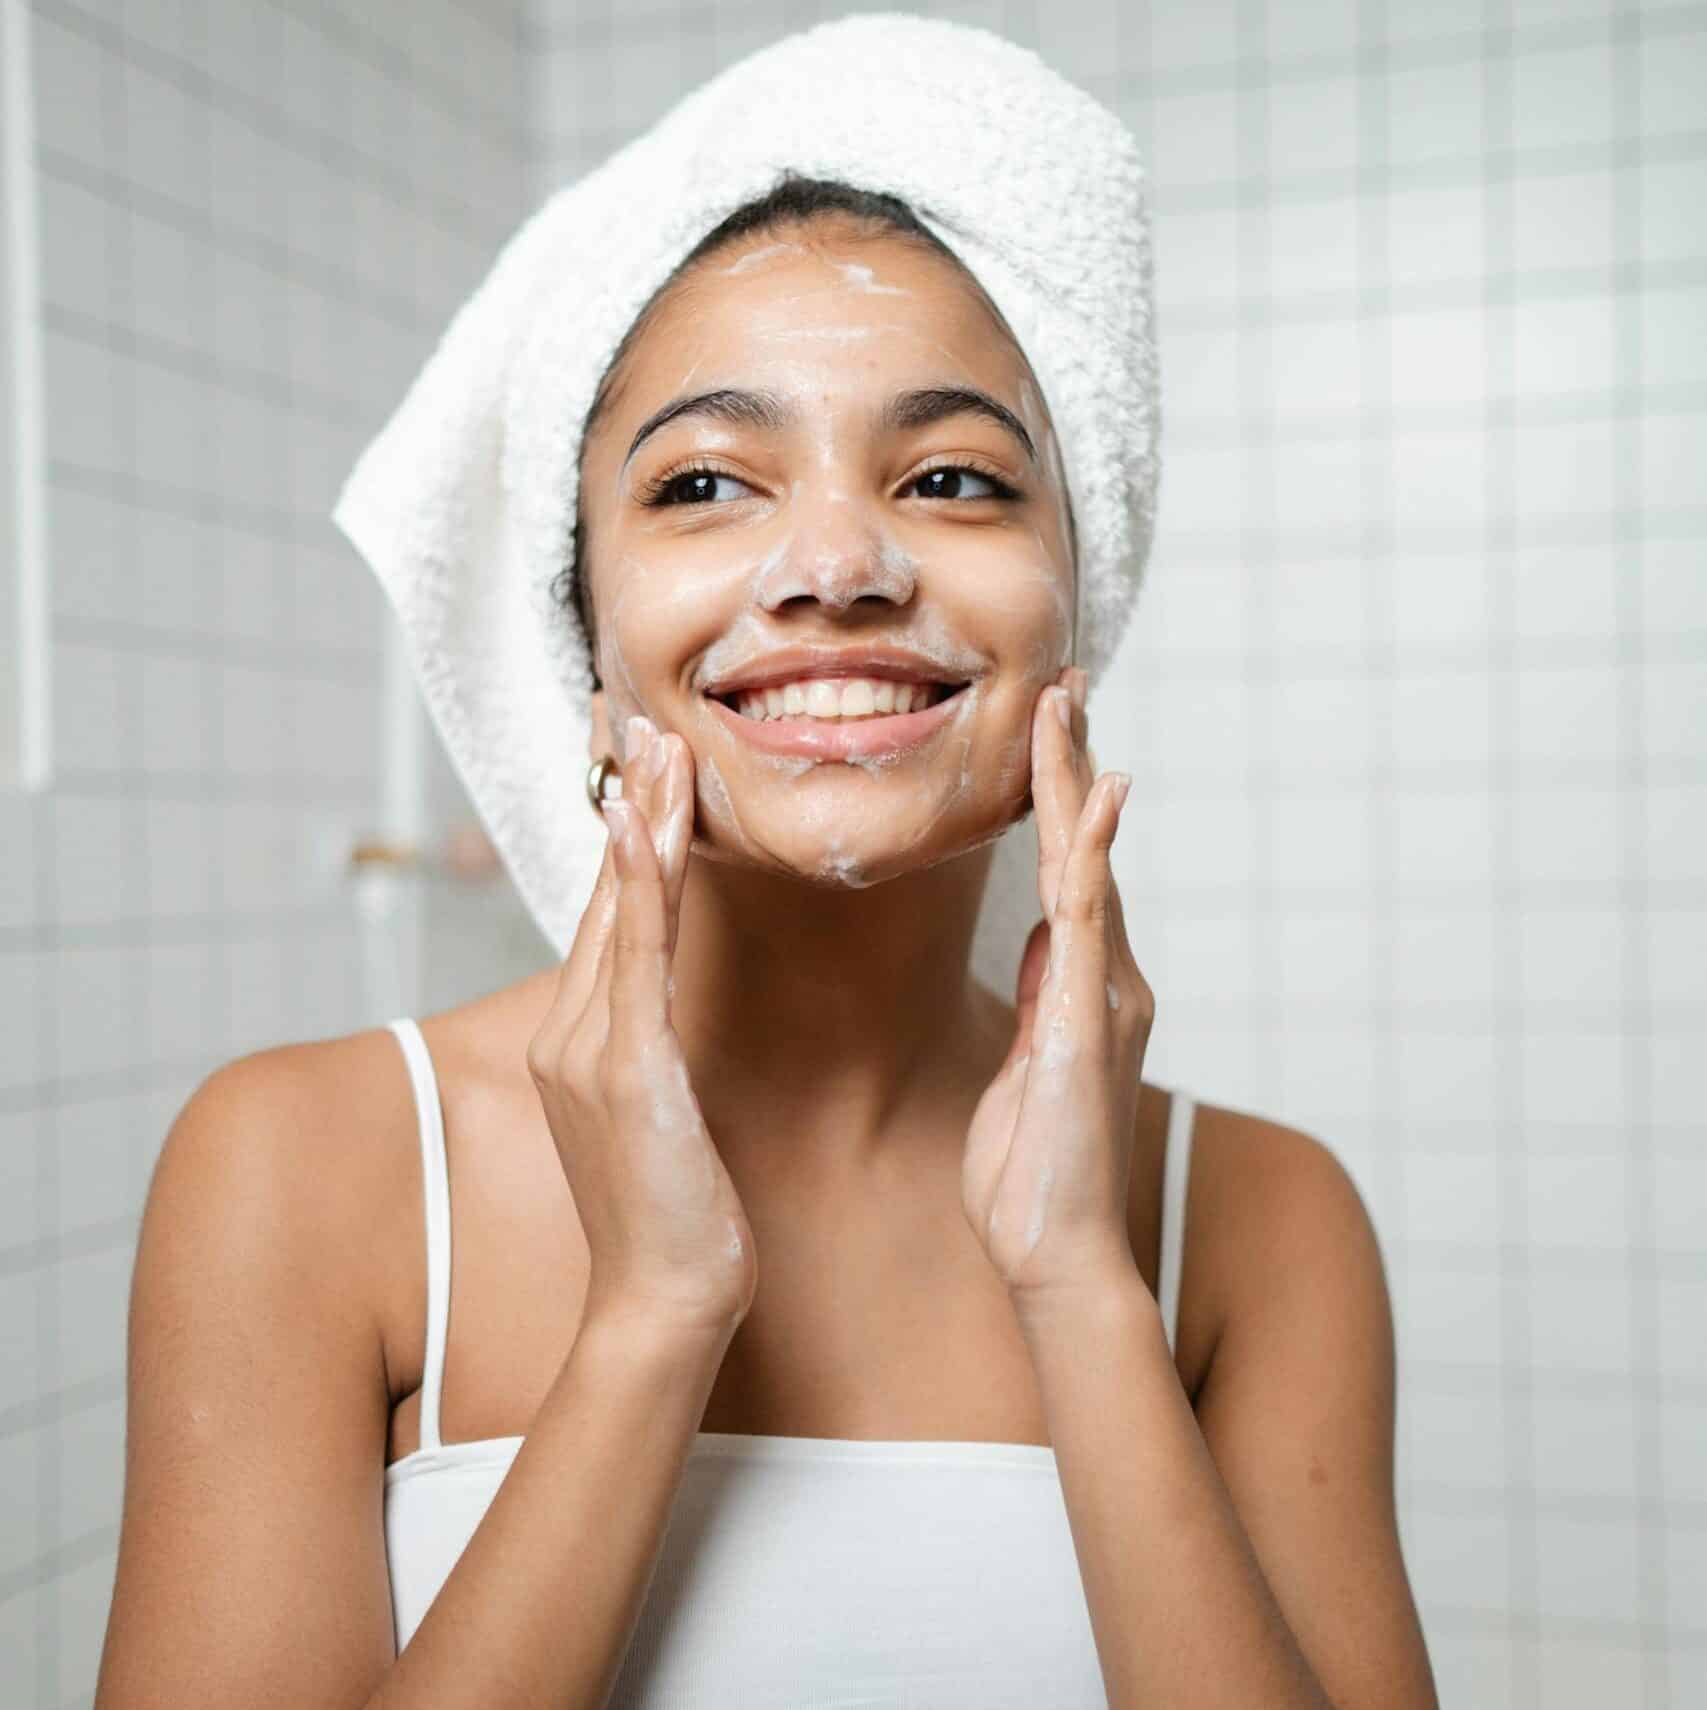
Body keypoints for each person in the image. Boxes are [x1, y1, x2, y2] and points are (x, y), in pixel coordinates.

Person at [94, 21, 1438, 1710]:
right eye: (707, 481)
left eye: (950, 475)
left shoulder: (1258, 1229)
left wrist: (1083, 1288)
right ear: (583, 638)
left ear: (1071, 617)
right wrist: (652, 1317)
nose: (836, 562)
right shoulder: (301, 1174)